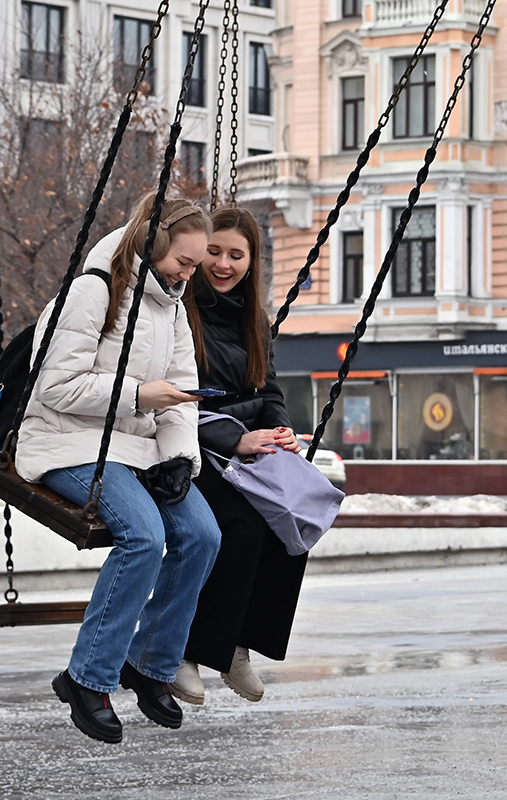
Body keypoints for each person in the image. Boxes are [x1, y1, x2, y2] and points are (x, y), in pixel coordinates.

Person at [14, 193, 222, 744]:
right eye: (183, 261)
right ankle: (88, 678)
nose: (189, 274)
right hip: (66, 442)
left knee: (203, 534)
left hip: (136, 446)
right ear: (153, 247)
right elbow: (54, 386)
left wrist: (180, 456)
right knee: (144, 536)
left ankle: (150, 665)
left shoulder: (173, 305)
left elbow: (179, 397)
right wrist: (136, 395)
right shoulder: (93, 292)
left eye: (195, 265)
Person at [172, 205, 304, 705]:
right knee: (243, 524)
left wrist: (282, 431)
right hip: (190, 447)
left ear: (251, 262)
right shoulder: (180, 311)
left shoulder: (255, 318)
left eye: (236, 254)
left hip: (244, 449)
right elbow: (181, 397)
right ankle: (187, 647)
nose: (223, 264)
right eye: (214, 252)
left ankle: (237, 647)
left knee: (292, 521)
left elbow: (269, 390)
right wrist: (236, 437)